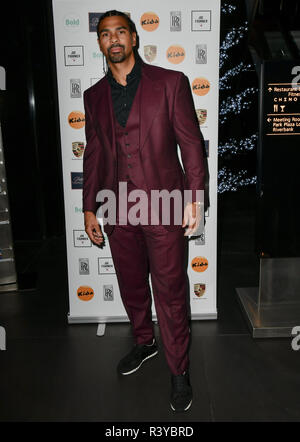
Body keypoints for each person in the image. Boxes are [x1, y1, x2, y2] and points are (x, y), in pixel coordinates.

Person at [83, 10, 206, 413]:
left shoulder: (171, 83)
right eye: (105, 34)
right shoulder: (93, 96)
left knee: (170, 292)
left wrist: (195, 199)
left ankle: (179, 370)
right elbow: (96, 155)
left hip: (164, 206)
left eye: (120, 31)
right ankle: (144, 341)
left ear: (134, 38)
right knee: (132, 285)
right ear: (100, 43)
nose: (113, 39)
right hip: (118, 208)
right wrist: (89, 208)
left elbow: (191, 144)